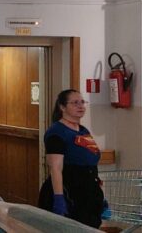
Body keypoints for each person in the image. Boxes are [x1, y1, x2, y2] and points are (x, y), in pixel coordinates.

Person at [37, 89, 106, 227]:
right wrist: (59, 198)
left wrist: (98, 195)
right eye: (75, 103)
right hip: (69, 192)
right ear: (62, 107)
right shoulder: (57, 132)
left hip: (88, 193)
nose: (80, 106)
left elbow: (90, 162)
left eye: (82, 102)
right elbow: (56, 168)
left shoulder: (83, 131)